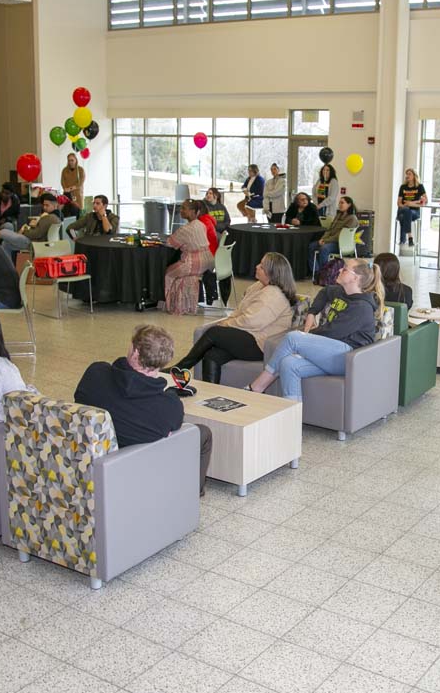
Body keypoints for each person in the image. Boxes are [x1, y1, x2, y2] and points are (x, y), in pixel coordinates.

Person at [74, 325, 212, 496]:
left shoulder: (95, 373)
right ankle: (191, 496)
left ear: (135, 352)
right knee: (203, 433)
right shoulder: (168, 406)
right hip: (138, 467)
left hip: (92, 459)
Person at [248, 258, 383, 400]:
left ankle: (257, 386)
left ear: (355, 278)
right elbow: (325, 292)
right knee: (288, 364)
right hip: (333, 352)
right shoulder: (341, 292)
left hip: (350, 357)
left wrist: (306, 336)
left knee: (293, 338)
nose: (338, 270)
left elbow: (332, 332)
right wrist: (312, 312)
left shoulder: (361, 307)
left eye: (344, 269)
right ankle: (292, 414)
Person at [173, 252, 297, 384]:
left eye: (261, 266)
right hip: (250, 335)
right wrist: (227, 322)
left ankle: (180, 368)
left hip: (261, 344)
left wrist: (227, 324)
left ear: (271, 273)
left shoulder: (273, 294)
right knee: (212, 356)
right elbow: (241, 312)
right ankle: (210, 393)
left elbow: (252, 321)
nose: (256, 266)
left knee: (214, 332)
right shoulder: (260, 287)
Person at [163, 199, 215, 315]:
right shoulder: (201, 225)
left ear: (192, 211)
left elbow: (170, 243)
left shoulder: (185, 230)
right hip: (208, 259)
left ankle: (172, 305)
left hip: (194, 262)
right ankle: (188, 305)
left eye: (184, 209)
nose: (181, 211)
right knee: (184, 275)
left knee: (168, 273)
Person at [0, 193, 62, 260]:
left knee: (4, 231)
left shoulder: (49, 217)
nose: (44, 207)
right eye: (44, 205)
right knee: (6, 244)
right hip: (38, 242)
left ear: (54, 206)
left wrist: (24, 230)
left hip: (33, 242)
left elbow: (37, 233)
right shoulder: (57, 218)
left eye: (47, 205)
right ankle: (9, 268)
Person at [309, 196, 358, 274]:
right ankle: (316, 271)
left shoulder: (352, 218)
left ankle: (325, 273)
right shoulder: (338, 215)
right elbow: (330, 229)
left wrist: (326, 240)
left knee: (324, 249)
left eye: (342, 203)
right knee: (311, 246)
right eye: (339, 203)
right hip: (330, 241)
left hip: (341, 244)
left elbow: (341, 235)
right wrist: (323, 239)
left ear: (349, 205)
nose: (340, 205)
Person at [396, 168, 426, 248]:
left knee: (404, 215)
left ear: (414, 176)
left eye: (409, 174)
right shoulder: (403, 187)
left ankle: (403, 239)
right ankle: (410, 237)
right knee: (406, 211)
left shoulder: (420, 187)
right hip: (402, 209)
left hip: (415, 212)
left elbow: (425, 201)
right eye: (406, 174)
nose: (407, 176)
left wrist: (411, 203)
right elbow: (399, 203)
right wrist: (407, 205)